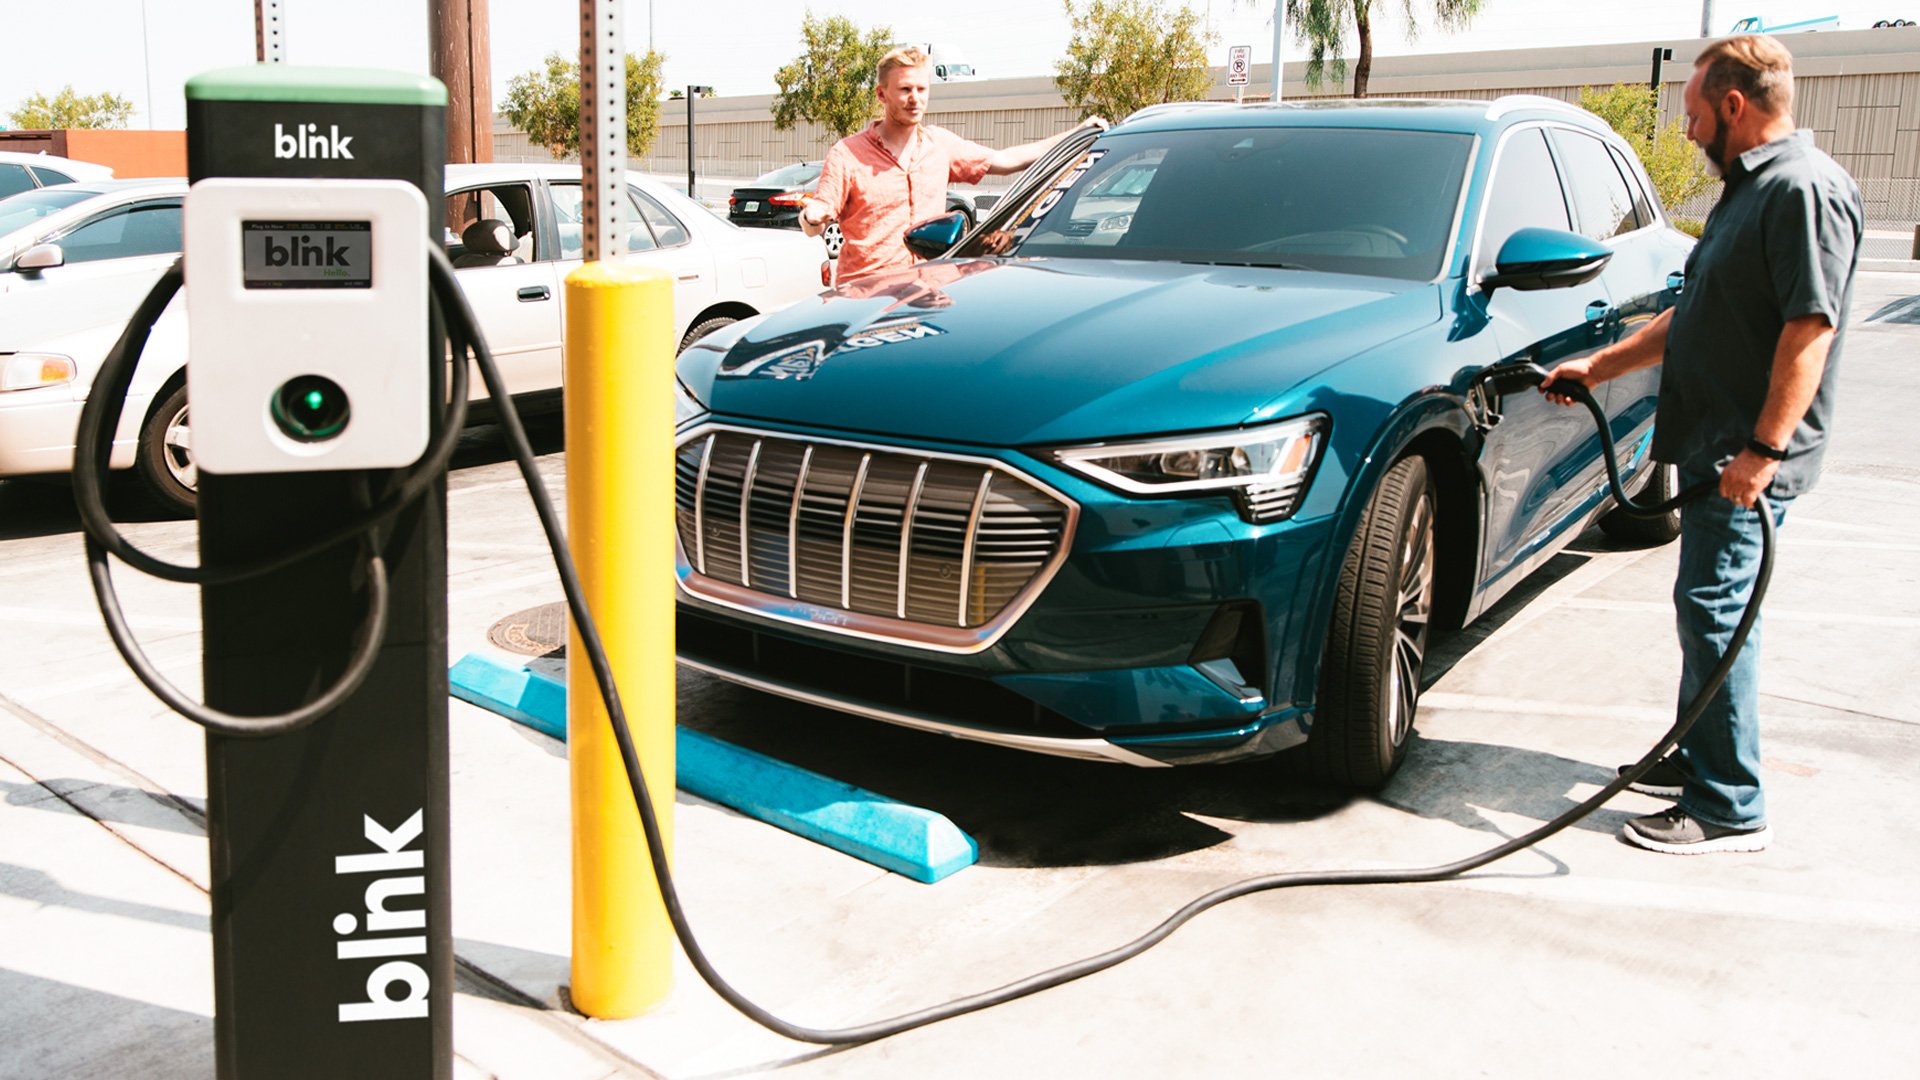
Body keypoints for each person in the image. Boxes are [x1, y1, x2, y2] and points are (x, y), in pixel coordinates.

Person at [1541, 34, 1863, 855]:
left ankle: (1728, 805)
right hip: (1720, 442)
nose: (1685, 132)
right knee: (1704, 606)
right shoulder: (1751, 191)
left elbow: (1808, 329)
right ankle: (1699, 752)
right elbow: (1701, 314)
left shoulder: (1800, 192)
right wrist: (1602, 363)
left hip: (1744, 454)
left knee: (1720, 612)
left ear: (1733, 105)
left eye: (1691, 115)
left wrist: (1763, 451)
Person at [800, 45, 1108, 282]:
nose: (914, 98)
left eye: (922, 90)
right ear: (882, 94)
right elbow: (814, 223)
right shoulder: (848, 153)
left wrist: (1077, 133)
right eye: (905, 89)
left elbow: (1007, 159)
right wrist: (812, 217)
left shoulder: (939, 145)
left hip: (928, 296)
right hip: (866, 297)